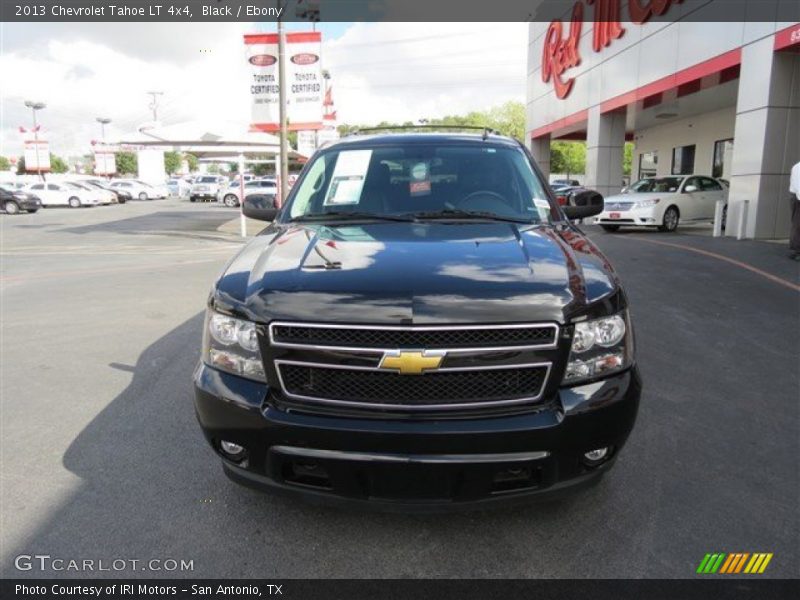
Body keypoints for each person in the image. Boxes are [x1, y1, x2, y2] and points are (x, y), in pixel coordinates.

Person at [791, 160, 800, 261]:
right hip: (798, 198)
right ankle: (797, 251)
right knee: (798, 224)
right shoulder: (798, 167)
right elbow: (799, 187)